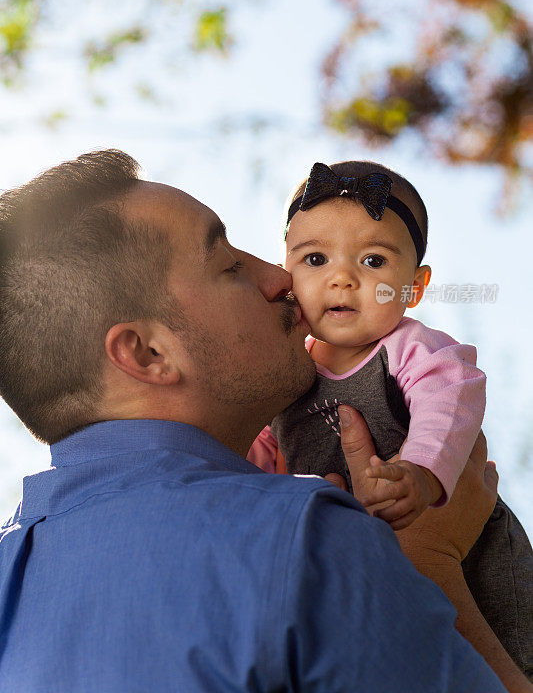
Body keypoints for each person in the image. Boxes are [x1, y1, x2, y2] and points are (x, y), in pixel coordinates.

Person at [0, 149, 523, 692]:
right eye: (229, 265)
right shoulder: (306, 546)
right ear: (148, 353)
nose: (282, 277)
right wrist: (429, 562)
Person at [249, 160, 533, 680]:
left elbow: (451, 395)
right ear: (287, 273)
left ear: (413, 288)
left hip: (461, 540)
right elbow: (258, 454)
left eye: (374, 260)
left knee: (508, 644)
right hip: (357, 559)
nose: (342, 277)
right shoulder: (287, 371)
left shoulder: (407, 348)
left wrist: (421, 473)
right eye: (315, 258)